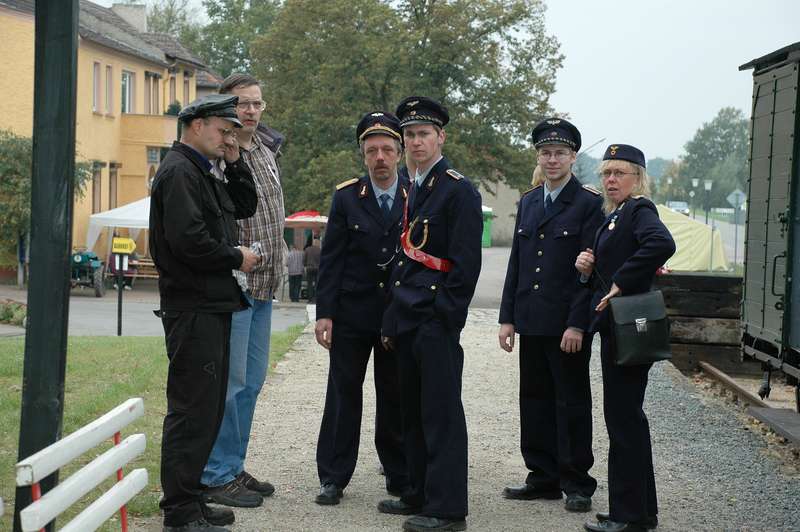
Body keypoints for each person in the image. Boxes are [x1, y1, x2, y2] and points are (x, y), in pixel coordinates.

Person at [149, 94, 260, 532]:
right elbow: (189, 241)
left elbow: (245, 205)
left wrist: (234, 162)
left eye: (233, 131)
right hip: (191, 305)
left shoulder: (203, 169)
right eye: (222, 129)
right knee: (191, 410)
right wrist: (236, 256)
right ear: (194, 125)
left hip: (210, 304)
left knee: (209, 409)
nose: (229, 137)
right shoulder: (178, 172)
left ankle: (192, 499)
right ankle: (178, 510)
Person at [377, 96, 482, 532]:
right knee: (412, 413)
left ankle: (447, 508)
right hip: (407, 315)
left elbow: (464, 265)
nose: (416, 142)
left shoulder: (457, 189)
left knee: (440, 416)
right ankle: (417, 493)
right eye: (410, 135)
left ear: (441, 137)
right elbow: (404, 261)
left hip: (434, 320)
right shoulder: (413, 186)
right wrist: (392, 318)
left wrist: (444, 316)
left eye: (423, 134)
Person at [498, 118, 604, 512]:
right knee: (535, 400)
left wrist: (578, 323)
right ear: (538, 157)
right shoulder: (528, 201)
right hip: (531, 318)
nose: (552, 159)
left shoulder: (589, 204)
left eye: (560, 153)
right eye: (546, 153)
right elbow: (517, 265)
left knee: (571, 403)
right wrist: (507, 318)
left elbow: (589, 274)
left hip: (566, 324)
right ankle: (542, 477)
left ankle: (577, 482)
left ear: (574, 157)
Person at [575, 144, 675, 532]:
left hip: (630, 325)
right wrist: (590, 265)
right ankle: (638, 510)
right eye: (606, 173)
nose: (610, 180)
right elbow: (622, 256)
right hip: (618, 325)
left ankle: (629, 516)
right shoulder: (614, 216)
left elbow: (662, 244)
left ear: (638, 179)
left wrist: (621, 279)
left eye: (619, 173)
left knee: (624, 420)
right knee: (626, 418)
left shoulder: (638, 209)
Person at [313, 111, 409, 506]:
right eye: (373, 151)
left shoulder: (415, 194)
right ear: (363, 155)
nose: (380, 157)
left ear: (399, 154)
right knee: (343, 394)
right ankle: (333, 477)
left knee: (395, 395)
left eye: (388, 149)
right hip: (352, 313)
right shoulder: (348, 196)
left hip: (396, 314)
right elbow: (331, 260)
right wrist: (324, 313)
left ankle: (399, 475)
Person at [201, 73, 287, 509]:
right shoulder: (221, 154)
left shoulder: (267, 149)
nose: (250, 111)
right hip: (236, 282)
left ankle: (233, 466)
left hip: (267, 282)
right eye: (242, 103)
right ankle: (215, 474)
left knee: (252, 384)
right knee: (231, 384)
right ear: (227, 107)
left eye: (257, 103)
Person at [304, 236, 321, 301]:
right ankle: (316, 298)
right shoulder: (320, 250)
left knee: (309, 284)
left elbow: (304, 259)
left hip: (309, 268)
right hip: (317, 268)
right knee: (317, 283)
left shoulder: (307, 249)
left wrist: (305, 265)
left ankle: (310, 298)